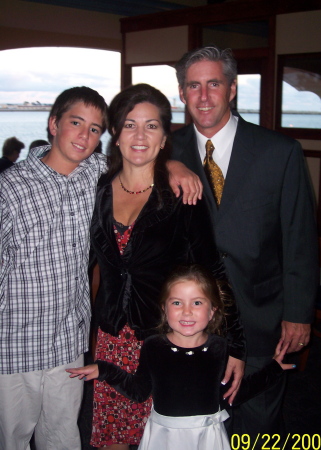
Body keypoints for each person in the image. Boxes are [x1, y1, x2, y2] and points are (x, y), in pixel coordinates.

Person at [0, 85, 209, 450]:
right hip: (16, 343)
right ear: (53, 124)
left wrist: (174, 165)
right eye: (76, 123)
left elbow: (141, 156)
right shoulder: (11, 187)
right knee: (12, 438)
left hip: (69, 341)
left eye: (95, 128)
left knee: (63, 437)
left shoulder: (95, 175)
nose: (84, 135)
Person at [84, 83, 245, 450]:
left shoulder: (183, 195)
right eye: (130, 124)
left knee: (165, 439)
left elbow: (212, 274)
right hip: (112, 337)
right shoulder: (99, 189)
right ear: (115, 132)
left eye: (152, 125)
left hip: (165, 340)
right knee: (111, 438)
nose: (140, 135)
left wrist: (236, 346)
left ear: (164, 136)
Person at [171, 45, 319, 438]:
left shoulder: (279, 152)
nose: (204, 96)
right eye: (193, 86)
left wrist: (299, 312)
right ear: (182, 93)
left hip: (261, 320)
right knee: (199, 427)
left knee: (258, 425)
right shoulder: (166, 150)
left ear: (232, 89)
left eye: (214, 84)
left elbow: (299, 237)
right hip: (190, 323)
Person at [67, 264, 295, 450]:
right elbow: (139, 390)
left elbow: (232, 394)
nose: (187, 311)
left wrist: (273, 368)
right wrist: (103, 370)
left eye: (197, 303)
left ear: (212, 310)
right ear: (165, 309)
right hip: (164, 437)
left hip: (206, 438)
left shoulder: (218, 348)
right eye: (177, 303)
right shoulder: (154, 346)